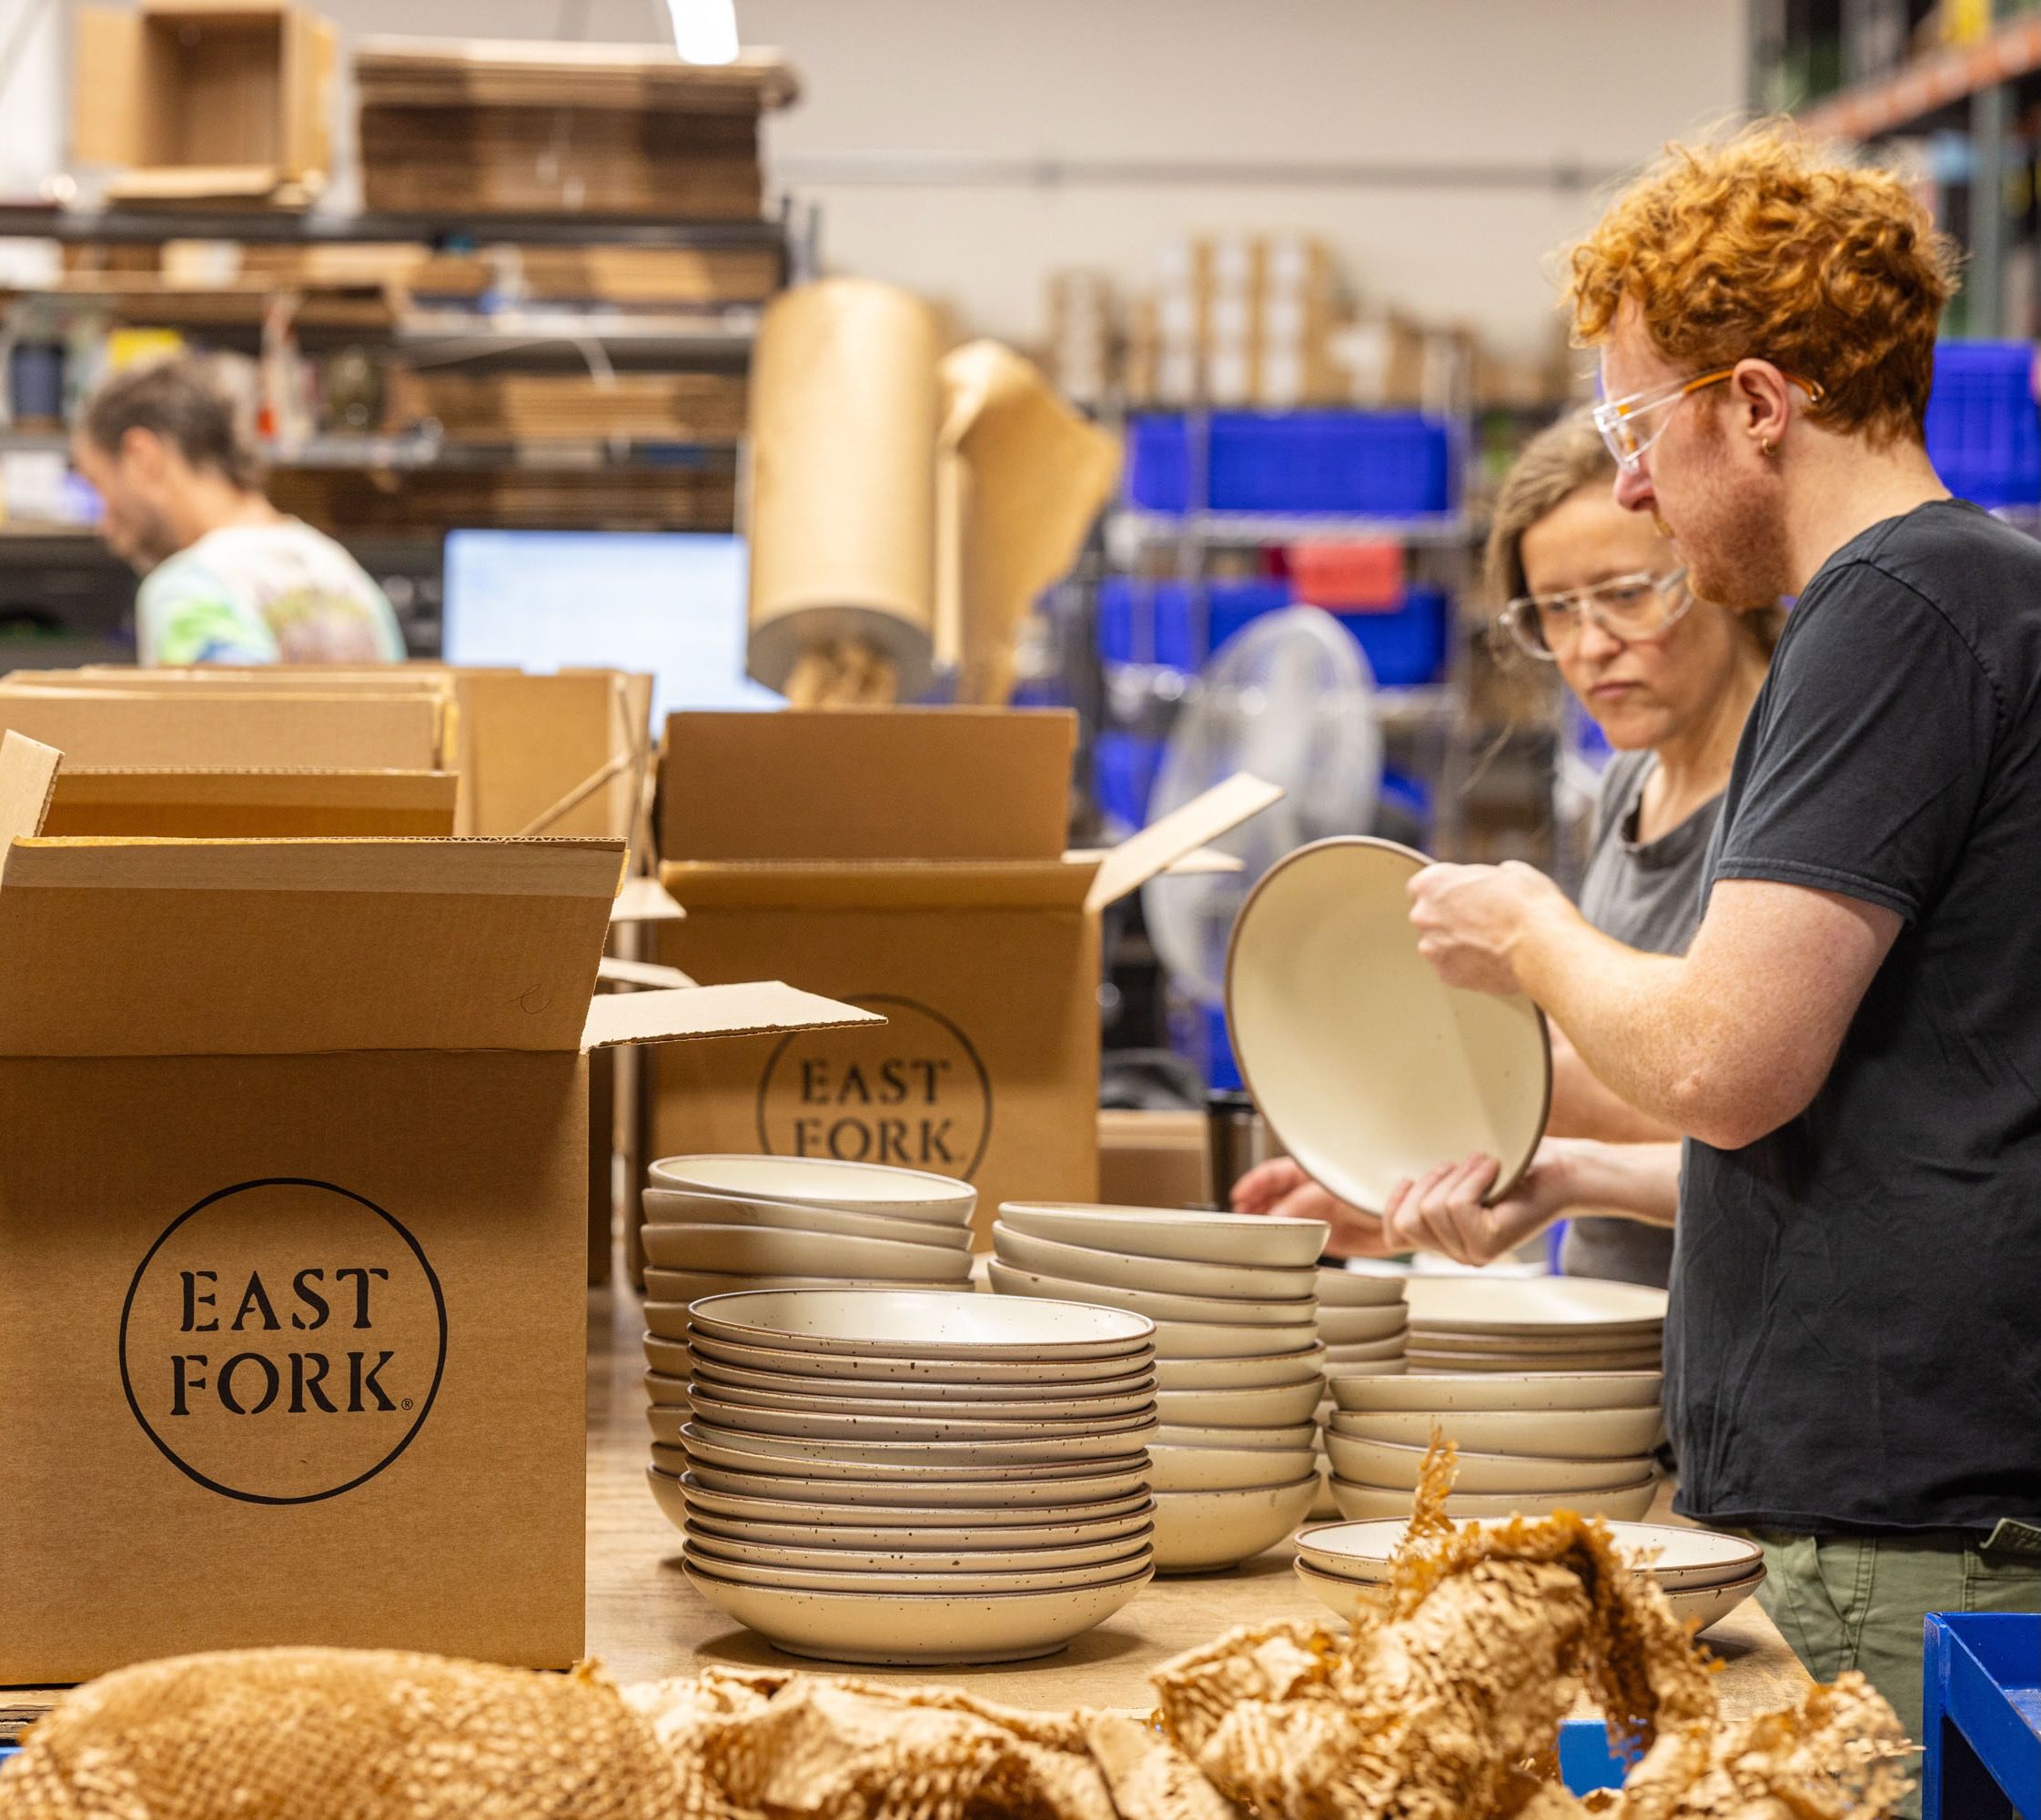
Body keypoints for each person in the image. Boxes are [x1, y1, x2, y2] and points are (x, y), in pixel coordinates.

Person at [1402, 123, 2041, 1785]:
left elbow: (1723, 1065)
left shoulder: (1892, 607)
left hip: (1908, 1510)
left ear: (1755, 406)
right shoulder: (1954, 599)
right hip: (1916, 1491)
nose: (1626, 482)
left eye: (1636, 426)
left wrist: (1535, 934)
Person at [1234, 405, 1780, 1288]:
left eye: (1625, 594)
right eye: (1555, 611)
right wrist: (1386, 1164)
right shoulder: (1627, 787)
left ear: (1714, 571)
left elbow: (1767, 1118)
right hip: (1627, 1333)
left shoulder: (1786, 804)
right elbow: (1603, 1070)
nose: (1589, 644)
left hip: (1750, 1338)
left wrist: (1503, 1137)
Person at [72, 356, 405, 667]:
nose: (104, 525)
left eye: (97, 483)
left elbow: (221, 726)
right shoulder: (343, 573)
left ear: (141, 457)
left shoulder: (187, 591)